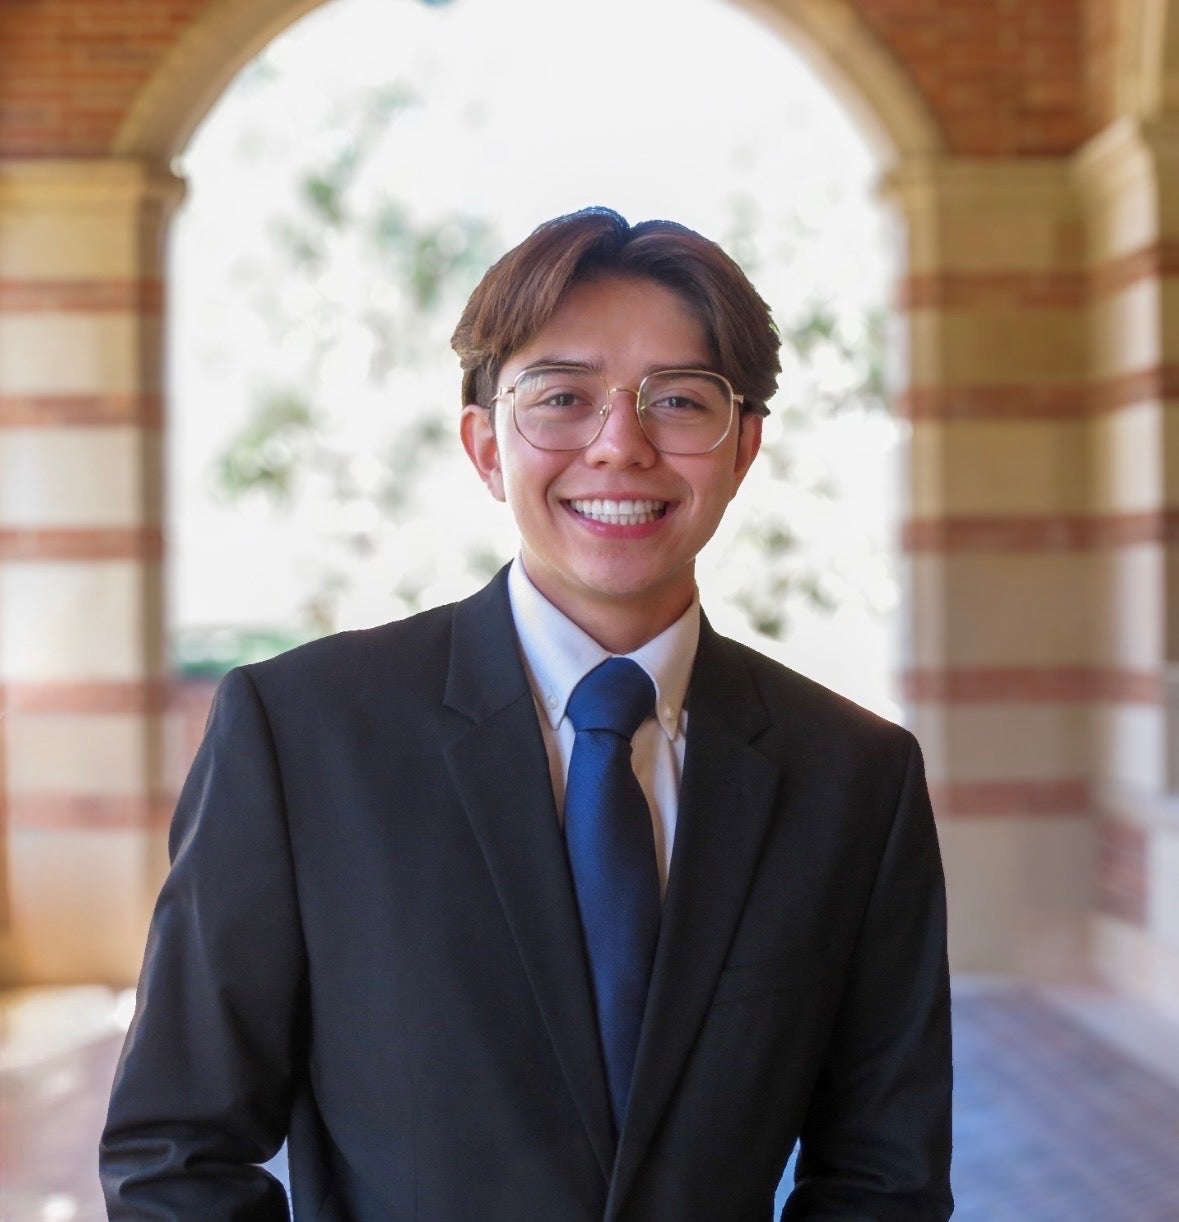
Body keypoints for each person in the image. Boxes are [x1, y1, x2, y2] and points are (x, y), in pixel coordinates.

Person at [101, 207, 953, 1220]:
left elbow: (884, 1176)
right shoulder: (301, 736)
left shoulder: (854, 777)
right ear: (486, 445)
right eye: (562, 397)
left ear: (744, 446)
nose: (620, 445)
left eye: (678, 400)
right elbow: (177, 1150)